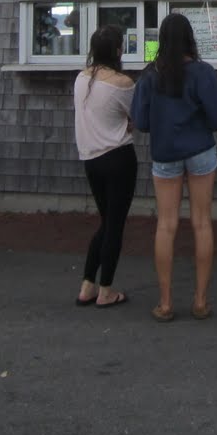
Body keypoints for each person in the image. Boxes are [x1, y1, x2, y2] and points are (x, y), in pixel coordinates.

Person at [131, 13, 217, 322]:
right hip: (200, 150)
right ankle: (200, 301)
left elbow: (141, 123)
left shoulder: (149, 76)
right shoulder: (203, 72)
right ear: (190, 38)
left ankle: (166, 302)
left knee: (166, 225)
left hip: (165, 154)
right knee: (201, 223)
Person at [72, 26, 137, 309]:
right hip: (119, 157)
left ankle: (88, 284)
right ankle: (106, 289)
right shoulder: (123, 83)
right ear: (118, 50)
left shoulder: (80, 79)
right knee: (115, 225)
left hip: (91, 159)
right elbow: (136, 117)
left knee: (106, 221)